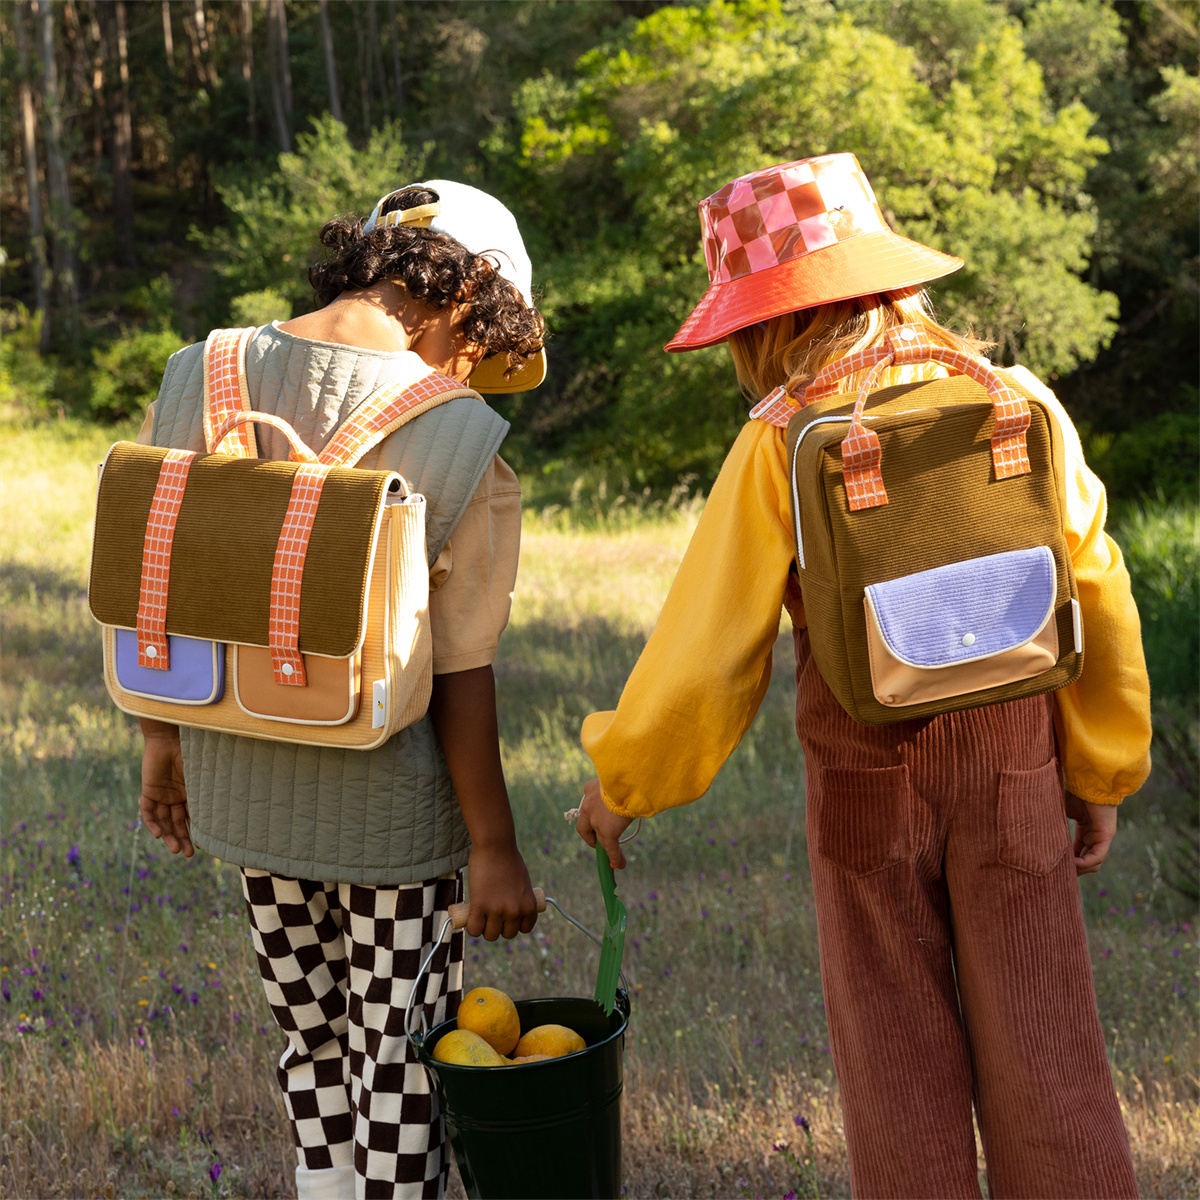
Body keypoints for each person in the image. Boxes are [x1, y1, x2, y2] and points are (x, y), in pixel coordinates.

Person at [574, 153, 1151, 1198]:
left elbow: (711, 646)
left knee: (895, 1057)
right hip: (1015, 767)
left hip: (865, 779)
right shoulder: (1021, 404)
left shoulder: (784, 438)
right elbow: (1097, 585)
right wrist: (1100, 767)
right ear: (892, 276)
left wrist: (626, 783)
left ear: (764, 320)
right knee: (1046, 1036)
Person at [134, 180, 545, 1200]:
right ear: (465, 296)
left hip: (243, 787)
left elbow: (165, 593)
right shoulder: (463, 437)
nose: (465, 372)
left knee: (308, 1044)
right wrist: (492, 848)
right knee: (401, 1064)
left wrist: (162, 748)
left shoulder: (199, 375)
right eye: (476, 344)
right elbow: (460, 666)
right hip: (392, 824)